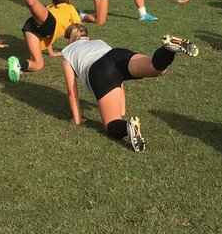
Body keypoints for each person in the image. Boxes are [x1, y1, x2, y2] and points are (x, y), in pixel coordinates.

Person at [59, 23, 197, 151]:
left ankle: (127, 127)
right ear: (87, 37)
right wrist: (122, 109)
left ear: (68, 39)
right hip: (116, 55)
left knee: (111, 125)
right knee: (157, 68)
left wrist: (77, 120)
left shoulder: (67, 52)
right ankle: (168, 50)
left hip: (100, 71)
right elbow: (119, 78)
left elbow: (72, 91)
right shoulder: (99, 42)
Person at [2, 0, 83, 80]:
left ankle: (18, 64)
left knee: (39, 65)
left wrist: (51, 52)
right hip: (47, 25)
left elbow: (48, 34)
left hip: (33, 28)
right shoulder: (68, 7)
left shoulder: (51, 7)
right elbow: (79, 28)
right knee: (31, 1)